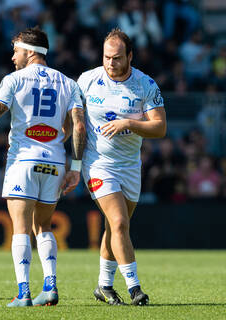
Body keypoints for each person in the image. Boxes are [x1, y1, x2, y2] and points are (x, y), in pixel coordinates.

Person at [0, 27, 86, 307]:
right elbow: (78, 125)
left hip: (23, 160)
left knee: (21, 228)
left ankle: (23, 292)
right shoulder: (68, 83)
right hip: (55, 162)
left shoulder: (14, 80)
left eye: (16, 50)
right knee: (44, 226)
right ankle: (50, 287)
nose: (12, 57)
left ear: (30, 51)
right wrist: (76, 165)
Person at [77, 28, 166, 306]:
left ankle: (103, 285)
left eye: (116, 58)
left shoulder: (145, 84)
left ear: (130, 56)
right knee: (118, 222)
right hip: (97, 163)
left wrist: (128, 123)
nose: (110, 64)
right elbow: (73, 122)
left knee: (115, 228)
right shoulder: (88, 80)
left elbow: (160, 127)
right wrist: (72, 162)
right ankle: (135, 288)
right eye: (106, 57)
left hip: (129, 166)